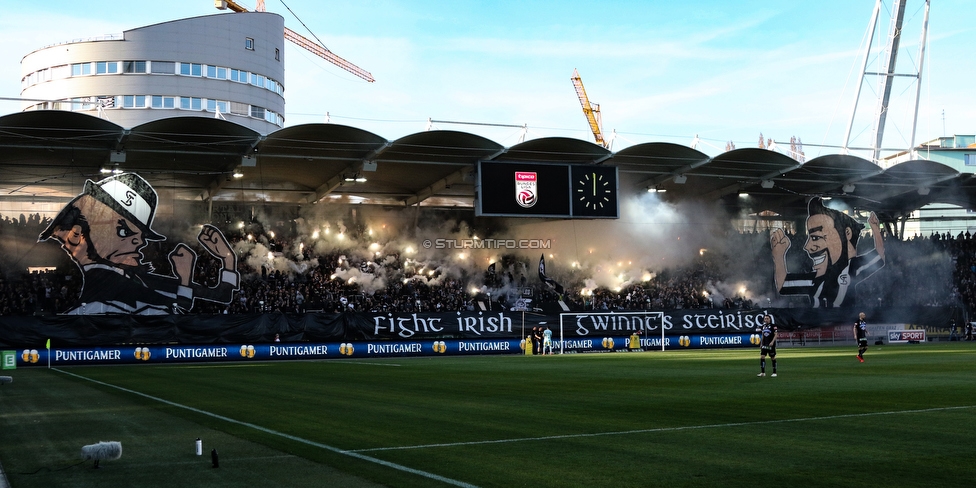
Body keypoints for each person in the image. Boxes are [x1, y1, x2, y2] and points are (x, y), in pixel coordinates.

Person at [38, 173, 239, 314]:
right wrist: (185, 279)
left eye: (141, 234)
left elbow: (221, 296)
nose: (139, 241)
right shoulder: (109, 285)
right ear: (76, 235)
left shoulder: (133, 277)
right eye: (124, 230)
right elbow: (176, 313)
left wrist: (227, 259)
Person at [770, 197, 885, 308]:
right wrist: (779, 256)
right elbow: (783, 285)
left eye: (816, 238)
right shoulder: (814, 279)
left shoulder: (851, 268)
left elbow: (879, 257)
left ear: (847, 233)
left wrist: (875, 229)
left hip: (845, 323)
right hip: (816, 325)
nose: (807, 247)